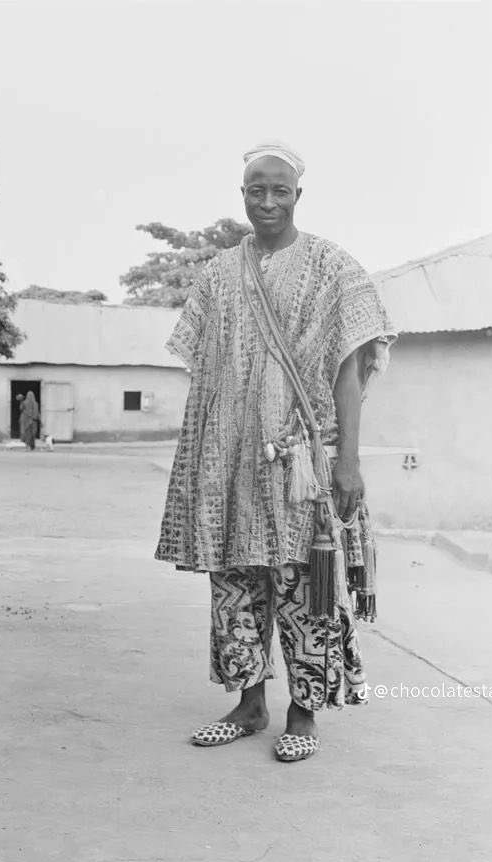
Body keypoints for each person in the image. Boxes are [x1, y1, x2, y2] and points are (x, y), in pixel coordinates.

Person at [155, 140, 396, 763]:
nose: (267, 200)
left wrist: (348, 459)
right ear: (242, 196)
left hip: (301, 461)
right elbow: (204, 371)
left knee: (305, 585)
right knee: (235, 585)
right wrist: (202, 463)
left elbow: (350, 369)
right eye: (256, 189)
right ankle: (249, 702)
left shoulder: (332, 267)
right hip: (230, 459)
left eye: (279, 189)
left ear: (297, 195)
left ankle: (304, 713)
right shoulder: (215, 274)